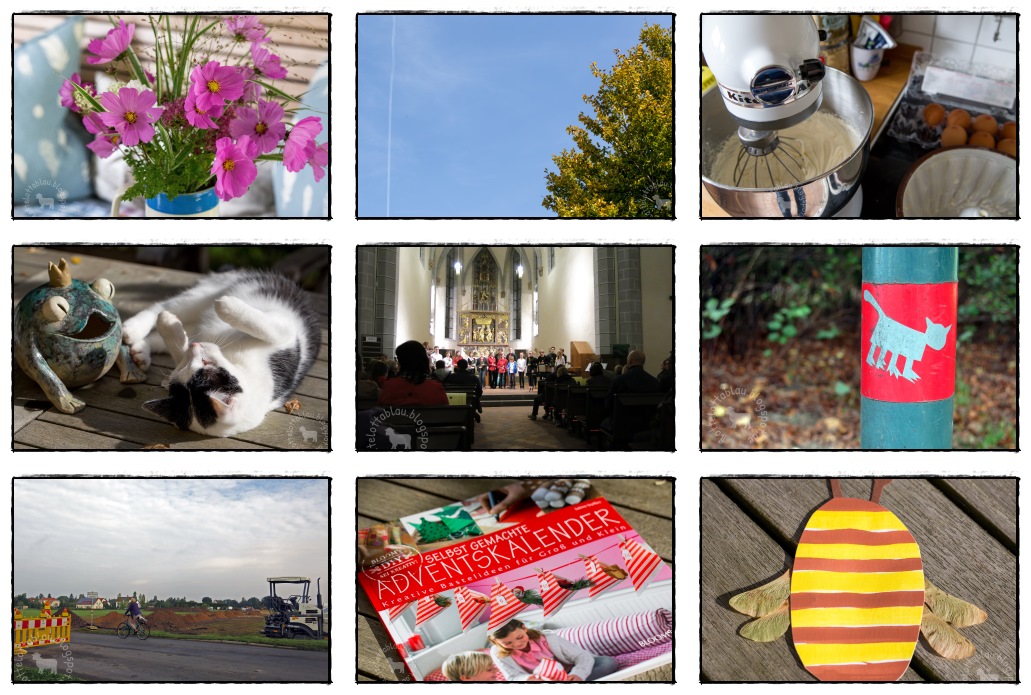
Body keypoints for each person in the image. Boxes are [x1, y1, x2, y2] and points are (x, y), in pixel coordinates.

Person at [488, 619, 620, 682]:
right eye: (507, 643)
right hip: (544, 680)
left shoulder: (548, 639)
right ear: (496, 643)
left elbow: (581, 656)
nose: (517, 644)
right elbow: (512, 677)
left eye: (520, 637)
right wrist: (528, 678)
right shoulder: (498, 653)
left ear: (524, 628)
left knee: (608, 662)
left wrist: (579, 674)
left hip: (570, 672)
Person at [378, 340, 449, 407]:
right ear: (425, 361)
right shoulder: (436, 388)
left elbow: (381, 414)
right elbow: (445, 413)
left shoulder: (389, 387)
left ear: (400, 363)